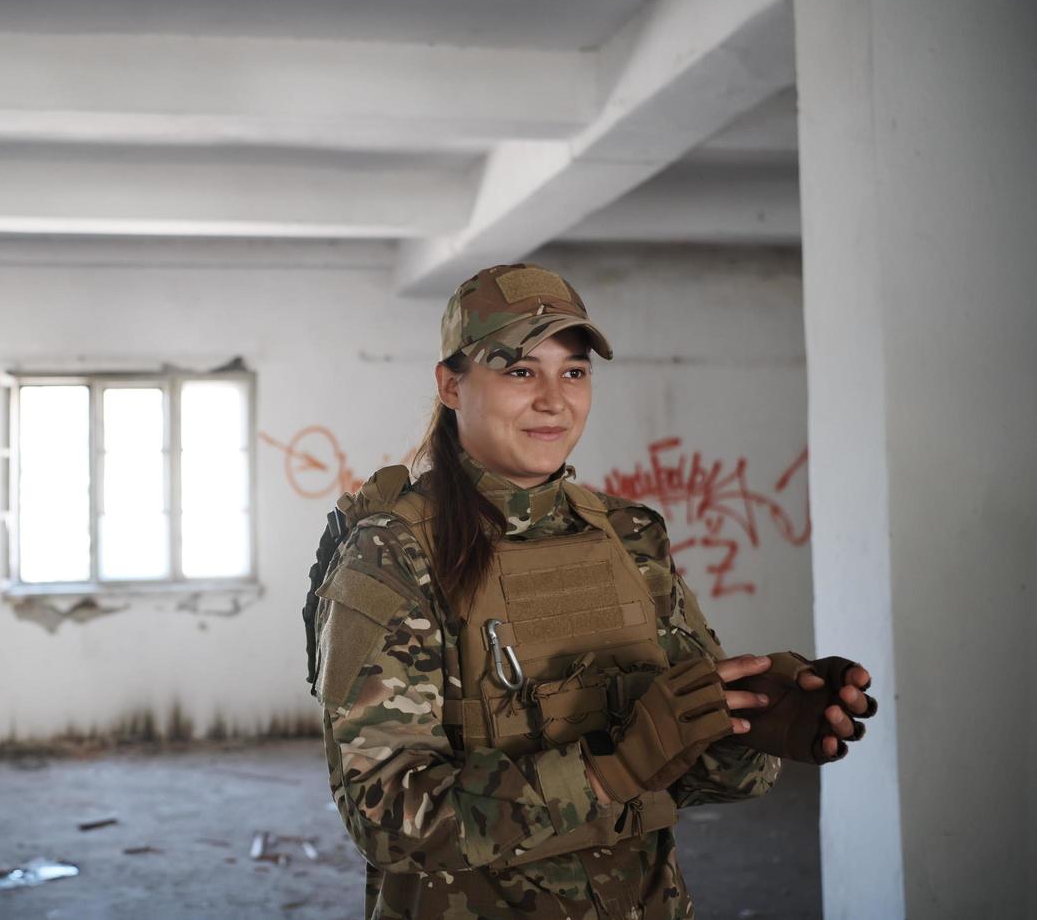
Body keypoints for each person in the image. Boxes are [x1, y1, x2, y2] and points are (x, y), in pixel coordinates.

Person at [307, 263, 876, 919]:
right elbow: (385, 817)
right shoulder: (392, 554)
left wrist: (754, 726)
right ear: (452, 385)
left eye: (573, 372)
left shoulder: (630, 535)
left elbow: (686, 767)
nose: (554, 398)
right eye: (520, 370)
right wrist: (608, 772)